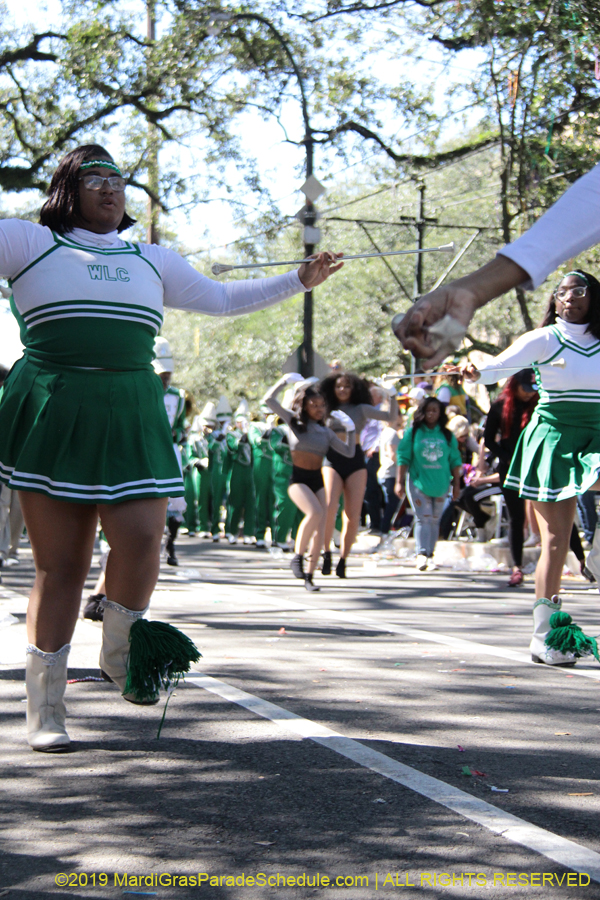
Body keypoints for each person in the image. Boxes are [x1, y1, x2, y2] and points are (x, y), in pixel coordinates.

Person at [0, 143, 343, 751]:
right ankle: (45, 707)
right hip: (55, 404)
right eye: (95, 178)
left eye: (118, 179)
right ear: (67, 189)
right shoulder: (28, 242)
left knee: (141, 540)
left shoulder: (151, 257)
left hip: (131, 408)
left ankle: (118, 645)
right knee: (63, 567)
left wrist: (299, 278)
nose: (110, 188)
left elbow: (222, 299)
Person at [460, 271, 600, 664]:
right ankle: (545, 636)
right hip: (554, 436)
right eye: (561, 291)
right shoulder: (545, 339)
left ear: (594, 297)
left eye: (579, 290)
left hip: (597, 433)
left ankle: (596, 555)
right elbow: (498, 369)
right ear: (553, 301)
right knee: (555, 542)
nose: (569, 297)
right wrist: (476, 372)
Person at [264, 374, 356, 591]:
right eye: (313, 405)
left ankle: (309, 575)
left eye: (322, 405)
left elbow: (349, 452)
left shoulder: (326, 432)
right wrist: (284, 382)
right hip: (297, 480)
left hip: (317, 480)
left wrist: (350, 430)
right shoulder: (294, 423)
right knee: (314, 512)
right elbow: (269, 400)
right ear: (303, 406)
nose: (318, 409)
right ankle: (297, 556)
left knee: (322, 524)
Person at [319, 373, 397, 578]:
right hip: (332, 459)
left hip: (355, 461)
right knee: (329, 506)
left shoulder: (361, 409)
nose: (342, 390)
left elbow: (390, 418)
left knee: (352, 515)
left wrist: (393, 395)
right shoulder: (326, 408)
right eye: (338, 387)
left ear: (354, 389)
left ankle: (343, 559)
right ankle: (326, 552)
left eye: (346, 387)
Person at [483, 369, 539, 586]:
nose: (528, 394)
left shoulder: (538, 404)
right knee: (517, 518)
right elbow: (488, 440)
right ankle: (517, 566)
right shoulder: (499, 407)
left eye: (532, 390)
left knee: (553, 513)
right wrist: (506, 458)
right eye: (525, 389)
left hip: (535, 466)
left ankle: (581, 561)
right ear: (514, 385)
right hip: (510, 468)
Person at [395, 396, 462, 570]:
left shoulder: (447, 435)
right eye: (428, 410)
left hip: (441, 483)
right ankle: (421, 554)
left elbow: (455, 460)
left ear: (440, 413)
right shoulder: (413, 433)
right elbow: (403, 457)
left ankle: (431, 554)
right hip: (418, 482)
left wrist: (457, 484)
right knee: (423, 517)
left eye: (435, 410)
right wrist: (399, 481)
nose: (431, 414)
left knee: (434, 519)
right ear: (422, 412)